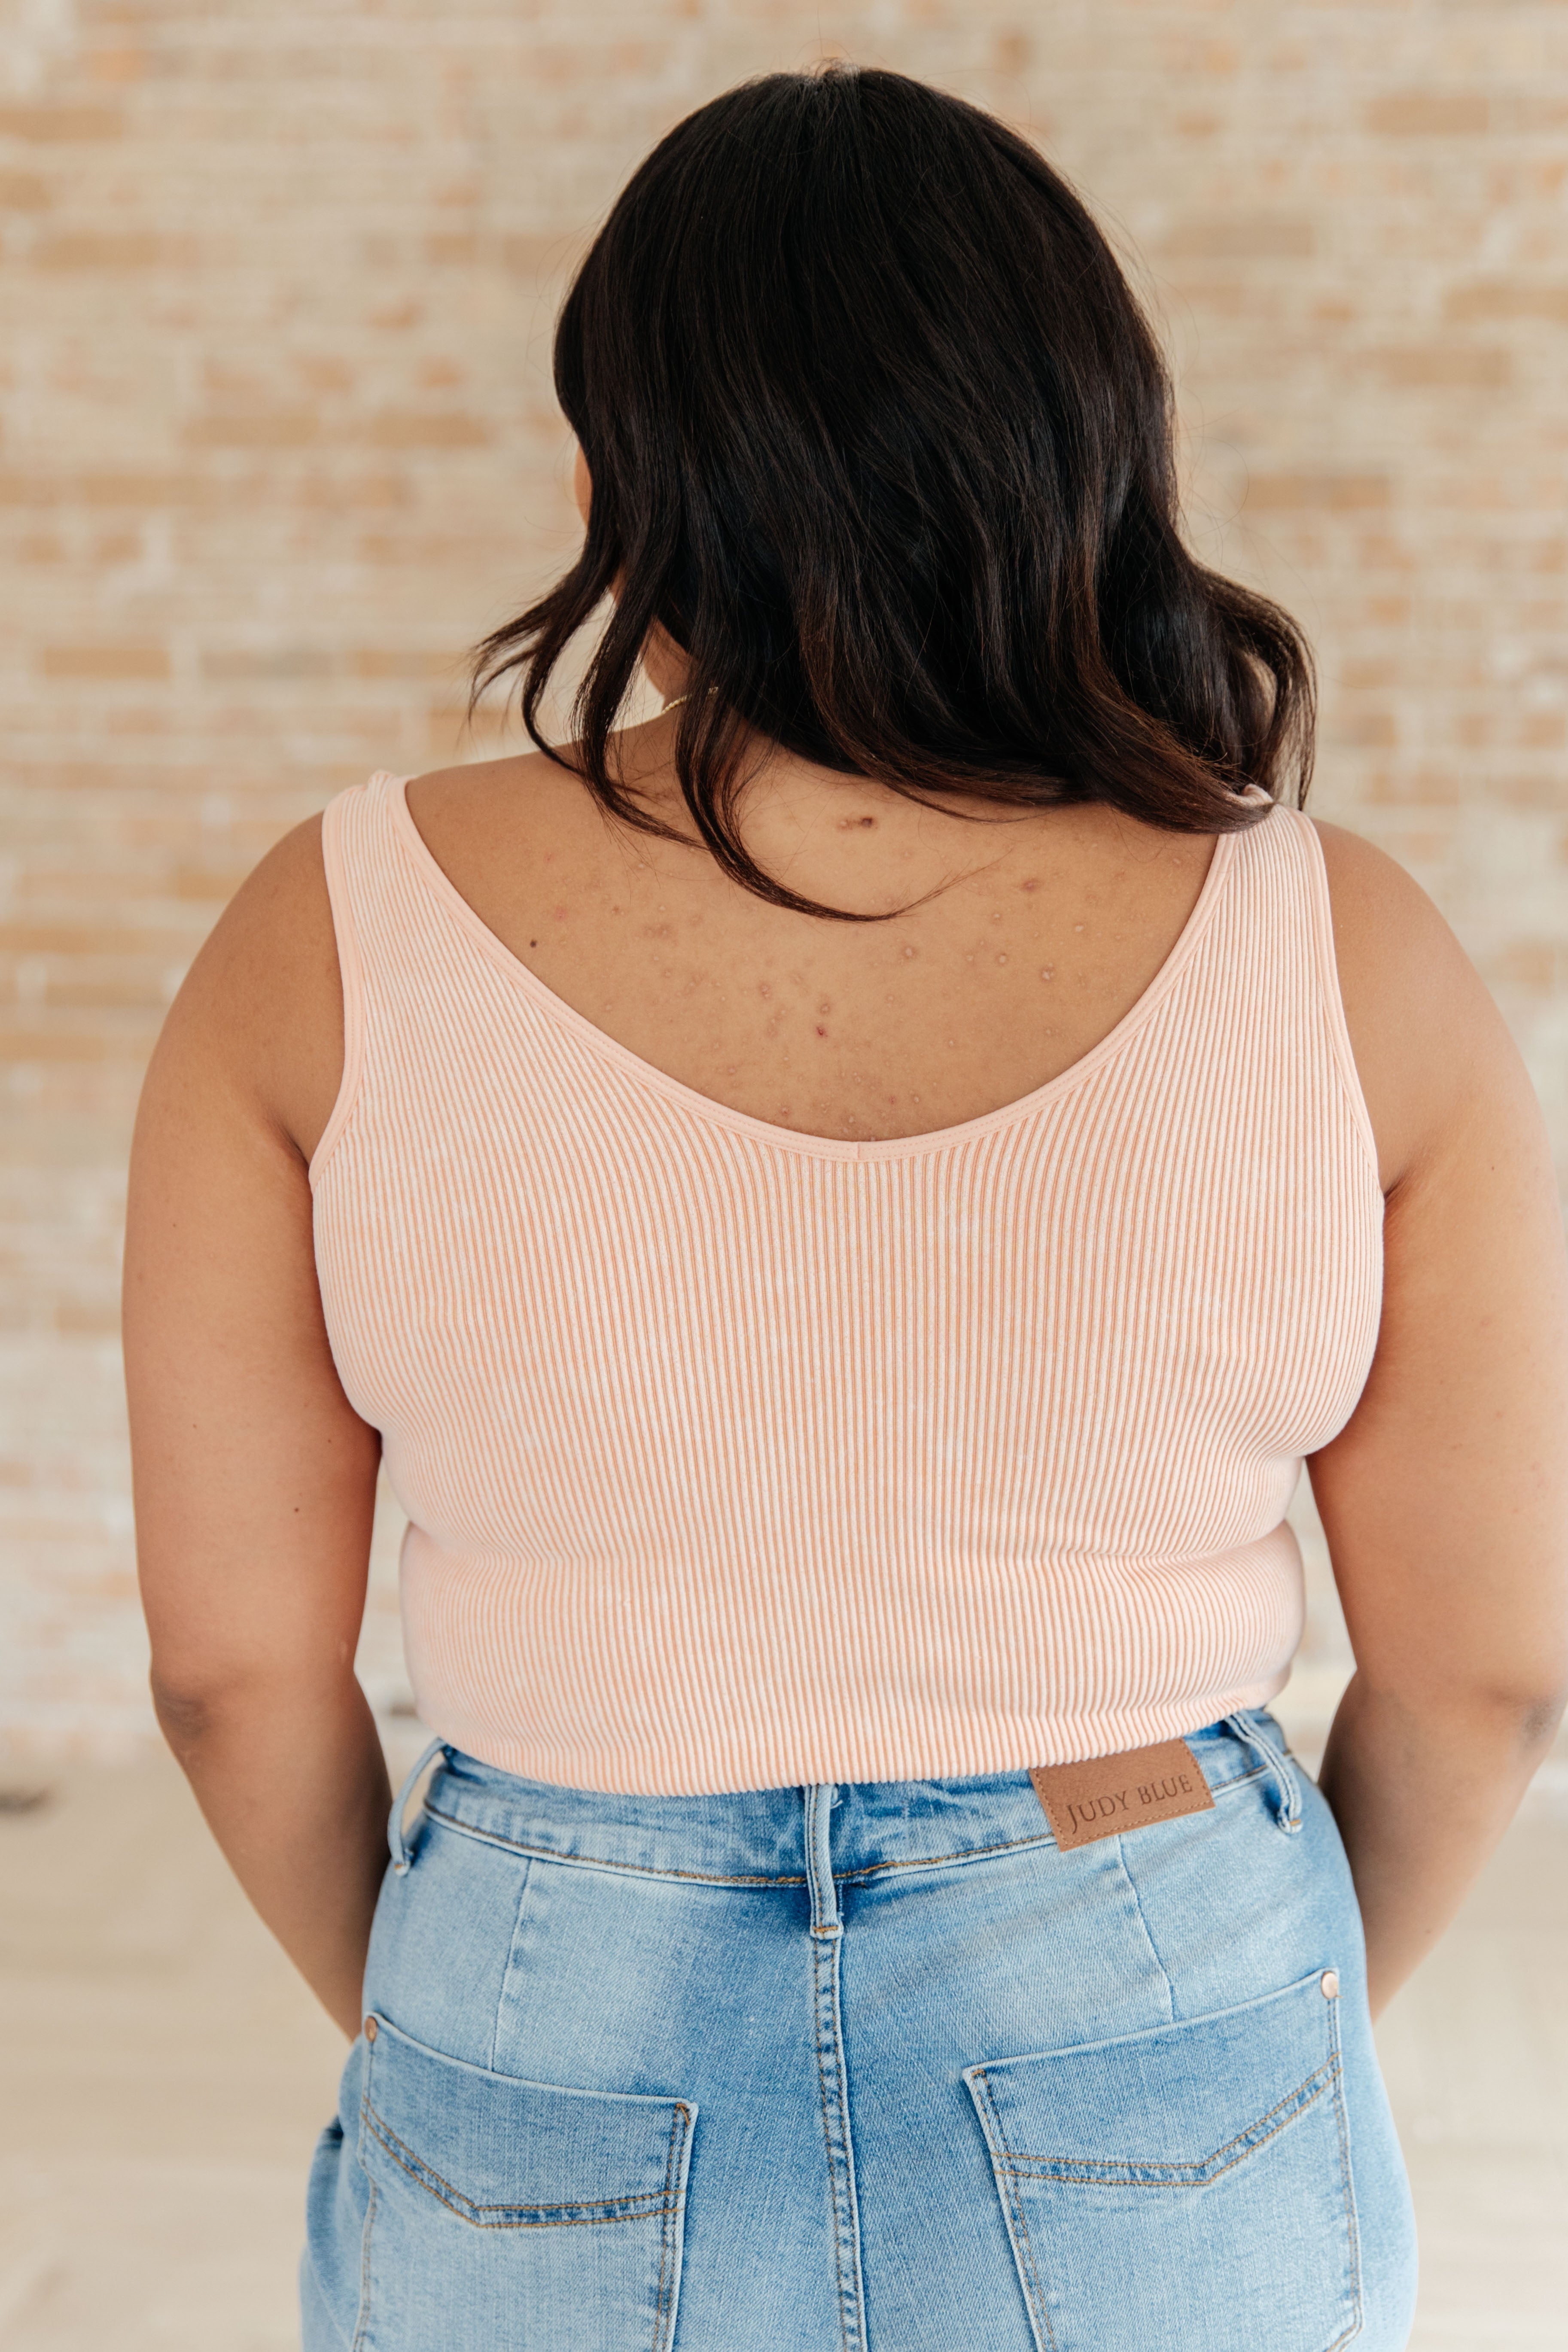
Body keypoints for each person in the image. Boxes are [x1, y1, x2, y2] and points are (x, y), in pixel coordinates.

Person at [123, 64, 1567, 2352]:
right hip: (1145, 1912)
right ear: (1082, 451)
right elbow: (1481, 1673)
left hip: (545, 1959)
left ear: (624, 484)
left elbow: (227, 1676)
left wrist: (462, 2027)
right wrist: (1226, 2019)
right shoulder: (1345, 947)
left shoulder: (324, 929)